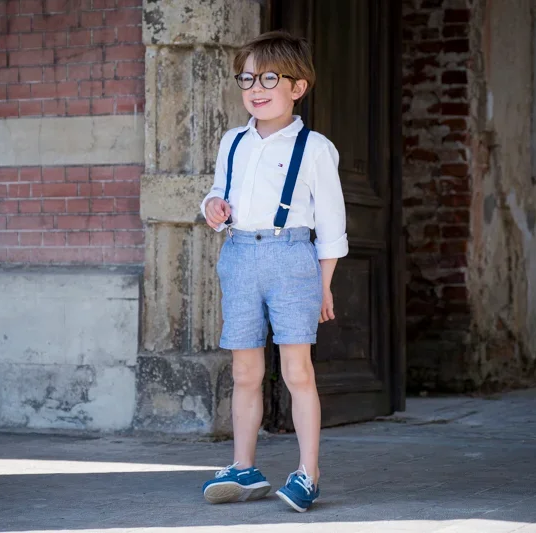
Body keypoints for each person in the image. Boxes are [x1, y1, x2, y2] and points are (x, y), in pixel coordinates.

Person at [199, 30, 348, 513]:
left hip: (292, 260)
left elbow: (330, 225)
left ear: (297, 87)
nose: (255, 89)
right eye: (247, 78)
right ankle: (243, 468)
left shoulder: (317, 149)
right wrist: (213, 207)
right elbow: (217, 191)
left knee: (296, 369)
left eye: (267, 78)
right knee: (244, 370)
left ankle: (309, 472)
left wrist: (324, 286)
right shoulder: (233, 141)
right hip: (240, 256)